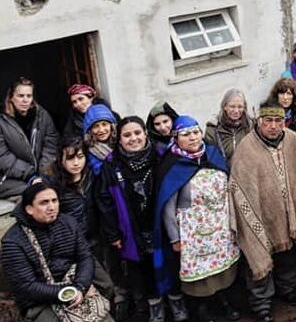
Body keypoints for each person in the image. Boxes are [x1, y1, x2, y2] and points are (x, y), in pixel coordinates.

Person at [228, 103, 296, 321]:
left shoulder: (293, 140)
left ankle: (287, 289)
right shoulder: (246, 148)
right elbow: (239, 185)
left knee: (290, 254)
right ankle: (261, 302)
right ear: (259, 122)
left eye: (278, 121)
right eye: (268, 121)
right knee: (258, 255)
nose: (273, 126)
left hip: (291, 211)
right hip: (260, 212)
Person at [97, 117, 184, 322]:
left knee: (170, 264)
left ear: (145, 133)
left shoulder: (162, 155)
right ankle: (155, 306)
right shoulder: (111, 164)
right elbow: (104, 201)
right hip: (132, 228)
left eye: (137, 133)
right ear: (119, 140)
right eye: (127, 135)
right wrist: (113, 233)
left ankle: (176, 301)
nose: (133, 138)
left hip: (162, 225)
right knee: (143, 269)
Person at [154, 116, 239, 322]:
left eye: (195, 132)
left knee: (222, 267)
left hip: (219, 226)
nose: (192, 138)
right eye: (186, 135)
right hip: (192, 232)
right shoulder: (172, 164)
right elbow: (166, 206)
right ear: (176, 138)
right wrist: (175, 238)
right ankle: (203, 309)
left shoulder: (212, 154)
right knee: (200, 274)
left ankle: (223, 301)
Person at [2, 182, 107, 322]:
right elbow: (26, 286)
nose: (51, 207)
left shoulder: (69, 223)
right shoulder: (13, 241)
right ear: (29, 209)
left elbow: (85, 257)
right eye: (44, 203)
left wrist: (81, 286)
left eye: (54, 201)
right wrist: (68, 293)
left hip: (74, 285)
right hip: (39, 300)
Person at [43, 137, 112, 298]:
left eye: (80, 157)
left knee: (105, 282)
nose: (76, 163)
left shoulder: (91, 176)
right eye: (70, 158)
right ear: (61, 159)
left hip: (95, 237)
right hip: (69, 244)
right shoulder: (52, 184)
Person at [0, 77, 58, 199]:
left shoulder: (42, 115)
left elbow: (51, 144)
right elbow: (3, 156)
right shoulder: (2, 120)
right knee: (35, 199)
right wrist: (29, 174)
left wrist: (43, 173)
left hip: (41, 175)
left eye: (29, 96)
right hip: (10, 179)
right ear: (11, 97)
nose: (25, 100)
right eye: (21, 96)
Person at [204, 88, 255, 160]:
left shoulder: (251, 126)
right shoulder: (213, 129)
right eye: (232, 106)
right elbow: (211, 158)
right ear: (225, 106)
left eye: (240, 107)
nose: (236, 111)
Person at [83, 104, 117, 176]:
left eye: (104, 124)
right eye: (96, 126)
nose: (101, 130)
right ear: (90, 131)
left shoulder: (122, 143)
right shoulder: (90, 153)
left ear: (112, 126)